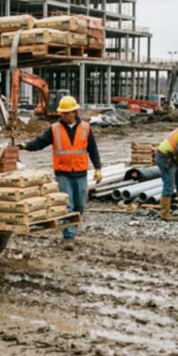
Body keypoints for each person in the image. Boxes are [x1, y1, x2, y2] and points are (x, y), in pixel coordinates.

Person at [18, 96, 102, 250]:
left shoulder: (86, 128)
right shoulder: (54, 129)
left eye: (67, 113)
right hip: (62, 174)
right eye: (62, 113)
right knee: (67, 205)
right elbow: (39, 143)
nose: (64, 116)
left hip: (80, 173)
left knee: (80, 205)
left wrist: (98, 168)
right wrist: (24, 146)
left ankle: (72, 229)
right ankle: (68, 237)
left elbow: (93, 150)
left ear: (75, 112)